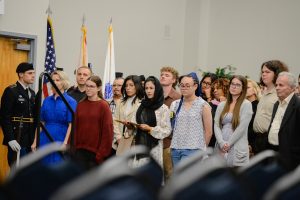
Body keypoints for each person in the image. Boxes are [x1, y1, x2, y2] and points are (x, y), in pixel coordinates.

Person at [170, 73, 212, 166]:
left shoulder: (203, 105)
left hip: (194, 149)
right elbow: (171, 125)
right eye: (182, 85)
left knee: (187, 178)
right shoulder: (175, 104)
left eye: (187, 86)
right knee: (178, 179)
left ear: (195, 86)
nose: (184, 88)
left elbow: (208, 132)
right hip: (175, 147)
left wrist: (202, 150)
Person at [131, 76, 171, 169]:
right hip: (139, 146)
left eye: (151, 88)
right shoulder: (140, 105)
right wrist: (130, 126)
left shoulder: (163, 108)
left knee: (152, 177)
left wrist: (150, 129)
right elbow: (134, 122)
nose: (148, 91)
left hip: (154, 148)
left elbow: (167, 130)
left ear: (157, 89)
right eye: (146, 88)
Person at [74, 75, 113, 169]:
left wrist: (100, 155)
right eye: (87, 86)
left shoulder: (103, 106)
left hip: (95, 154)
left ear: (99, 88)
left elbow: (107, 132)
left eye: (92, 86)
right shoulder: (80, 105)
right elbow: (75, 128)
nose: (88, 89)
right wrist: (73, 150)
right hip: (79, 152)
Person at [37, 70, 77, 164]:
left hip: (60, 137)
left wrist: (65, 143)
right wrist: (35, 141)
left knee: (56, 166)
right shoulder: (47, 100)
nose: (54, 82)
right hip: (44, 137)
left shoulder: (71, 101)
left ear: (64, 82)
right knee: (43, 166)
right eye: (52, 80)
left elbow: (71, 125)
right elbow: (41, 122)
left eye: (57, 80)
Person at [0, 62, 36, 166]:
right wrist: (10, 138)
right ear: (21, 74)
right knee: (17, 170)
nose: (33, 75)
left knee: (28, 171)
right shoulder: (11, 91)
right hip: (17, 136)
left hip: (29, 138)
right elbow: (4, 117)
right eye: (30, 73)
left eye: (33, 73)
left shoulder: (32, 93)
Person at [214, 75, 253, 167]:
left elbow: (241, 128)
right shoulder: (222, 105)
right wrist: (221, 143)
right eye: (232, 84)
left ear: (243, 88)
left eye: (238, 85)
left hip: (237, 146)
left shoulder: (246, 104)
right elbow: (216, 125)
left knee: (236, 178)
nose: (234, 86)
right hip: (221, 145)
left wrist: (228, 144)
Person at [252, 60, 288, 153]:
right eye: (263, 72)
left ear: (276, 74)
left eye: (267, 72)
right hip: (257, 139)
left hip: (269, 139)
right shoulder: (264, 93)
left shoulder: (279, 94)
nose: (263, 74)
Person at [267, 72, 300, 170]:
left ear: (292, 88)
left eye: (281, 85)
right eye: (276, 85)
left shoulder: (298, 106)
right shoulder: (277, 104)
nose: (277, 88)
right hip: (272, 152)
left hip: (290, 158)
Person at [159, 66, 181, 179]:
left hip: (169, 143)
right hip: (155, 141)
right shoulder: (155, 95)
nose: (163, 76)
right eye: (162, 74)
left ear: (174, 80)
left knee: (169, 175)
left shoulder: (178, 98)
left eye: (167, 75)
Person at [113, 75, 144, 154]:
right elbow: (114, 120)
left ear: (137, 86)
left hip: (135, 143)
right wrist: (118, 138)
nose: (128, 88)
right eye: (126, 85)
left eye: (131, 85)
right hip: (120, 142)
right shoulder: (121, 102)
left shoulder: (142, 103)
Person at [200, 73, 218, 147]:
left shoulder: (217, 100)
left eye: (208, 84)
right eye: (204, 82)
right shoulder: (197, 97)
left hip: (210, 139)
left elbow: (212, 117)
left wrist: (209, 97)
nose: (205, 85)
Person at [246, 79, 261, 155]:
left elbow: (255, 128)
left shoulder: (259, 106)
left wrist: (252, 145)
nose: (245, 89)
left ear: (255, 89)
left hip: (253, 145)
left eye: (248, 87)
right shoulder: (243, 106)